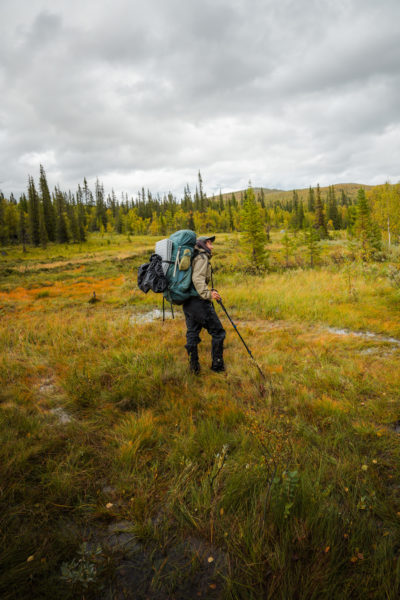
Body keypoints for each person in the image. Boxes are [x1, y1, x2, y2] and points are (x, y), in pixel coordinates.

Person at [182, 235, 226, 374]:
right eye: (209, 243)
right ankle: (217, 367)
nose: (212, 246)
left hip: (188, 302)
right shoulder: (201, 258)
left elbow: (194, 280)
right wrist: (207, 294)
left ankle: (194, 368)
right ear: (203, 244)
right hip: (199, 303)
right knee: (218, 332)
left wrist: (208, 291)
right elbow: (197, 278)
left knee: (192, 334)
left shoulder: (194, 257)